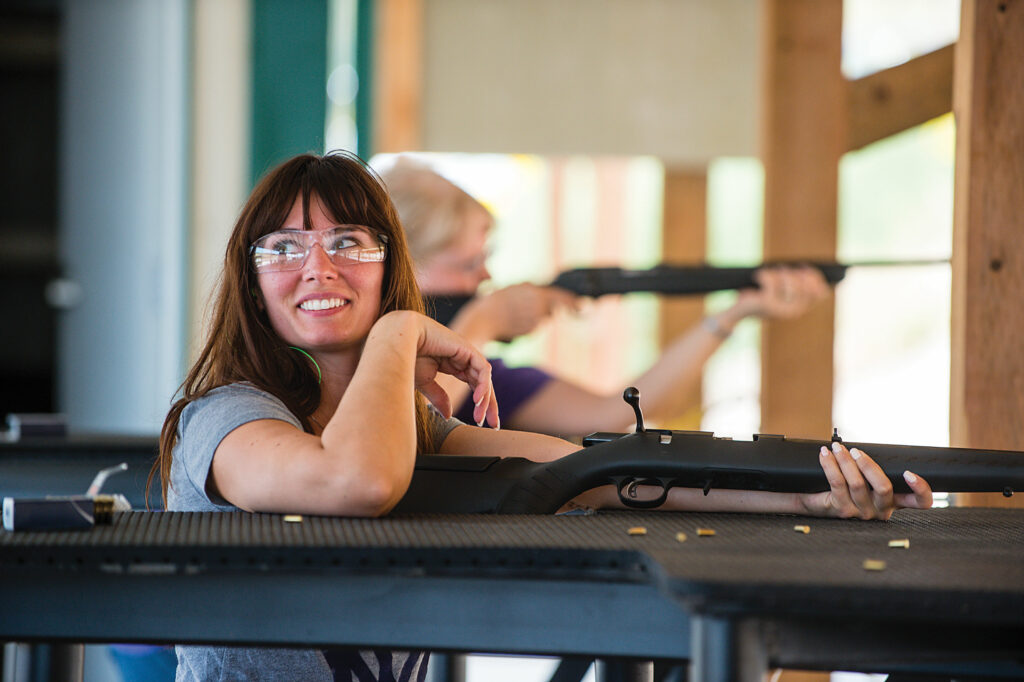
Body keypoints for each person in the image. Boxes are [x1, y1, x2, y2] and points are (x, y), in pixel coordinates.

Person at [154, 151, 933, 682]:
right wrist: (400, 329)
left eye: (349, 242)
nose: (318, 267)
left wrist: (804, 494)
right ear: (250, 281)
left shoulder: (418, 430)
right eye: (283, 247)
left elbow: (599, 473)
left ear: (389, 265)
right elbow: (355, 480)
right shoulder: (224, 420)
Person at [380, 157, 831, 437]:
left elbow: (613, 411)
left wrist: (734, 314)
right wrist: (482, 323)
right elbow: (409, 430)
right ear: (404, 267)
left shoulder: (487, 381)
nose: (486, 276)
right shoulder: (361, 360)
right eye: (466, 265)